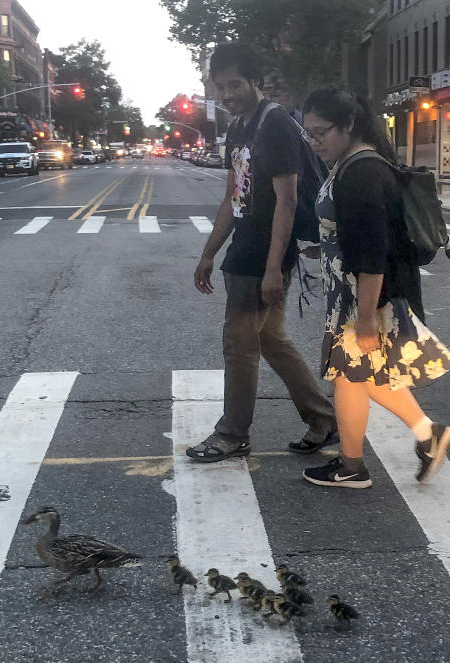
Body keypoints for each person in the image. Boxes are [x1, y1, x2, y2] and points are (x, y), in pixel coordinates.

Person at [298, 86, 450, 489]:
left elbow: (372, 254)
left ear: (348, 125)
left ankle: (352, 465)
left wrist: (366, 320)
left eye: (320, 132)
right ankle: (424, 435)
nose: (314, 142)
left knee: (349, 376)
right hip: (351, 294)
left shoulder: (364, 171)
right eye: (309, 133)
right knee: (355, 376)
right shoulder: (350, 163)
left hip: (363, 298)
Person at [188, 42, 338, 463]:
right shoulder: (239, 126)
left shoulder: (275, 126)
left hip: (262, 253)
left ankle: (232, 434)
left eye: (234, 84)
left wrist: (275, 267)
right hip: (245, 245)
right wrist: (208, 252)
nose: (226, 94)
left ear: (255, 80)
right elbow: (233, 194)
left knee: (239, 345)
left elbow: (287, 200)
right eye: (219, 87)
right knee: (271, 339)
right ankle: (323, 418)